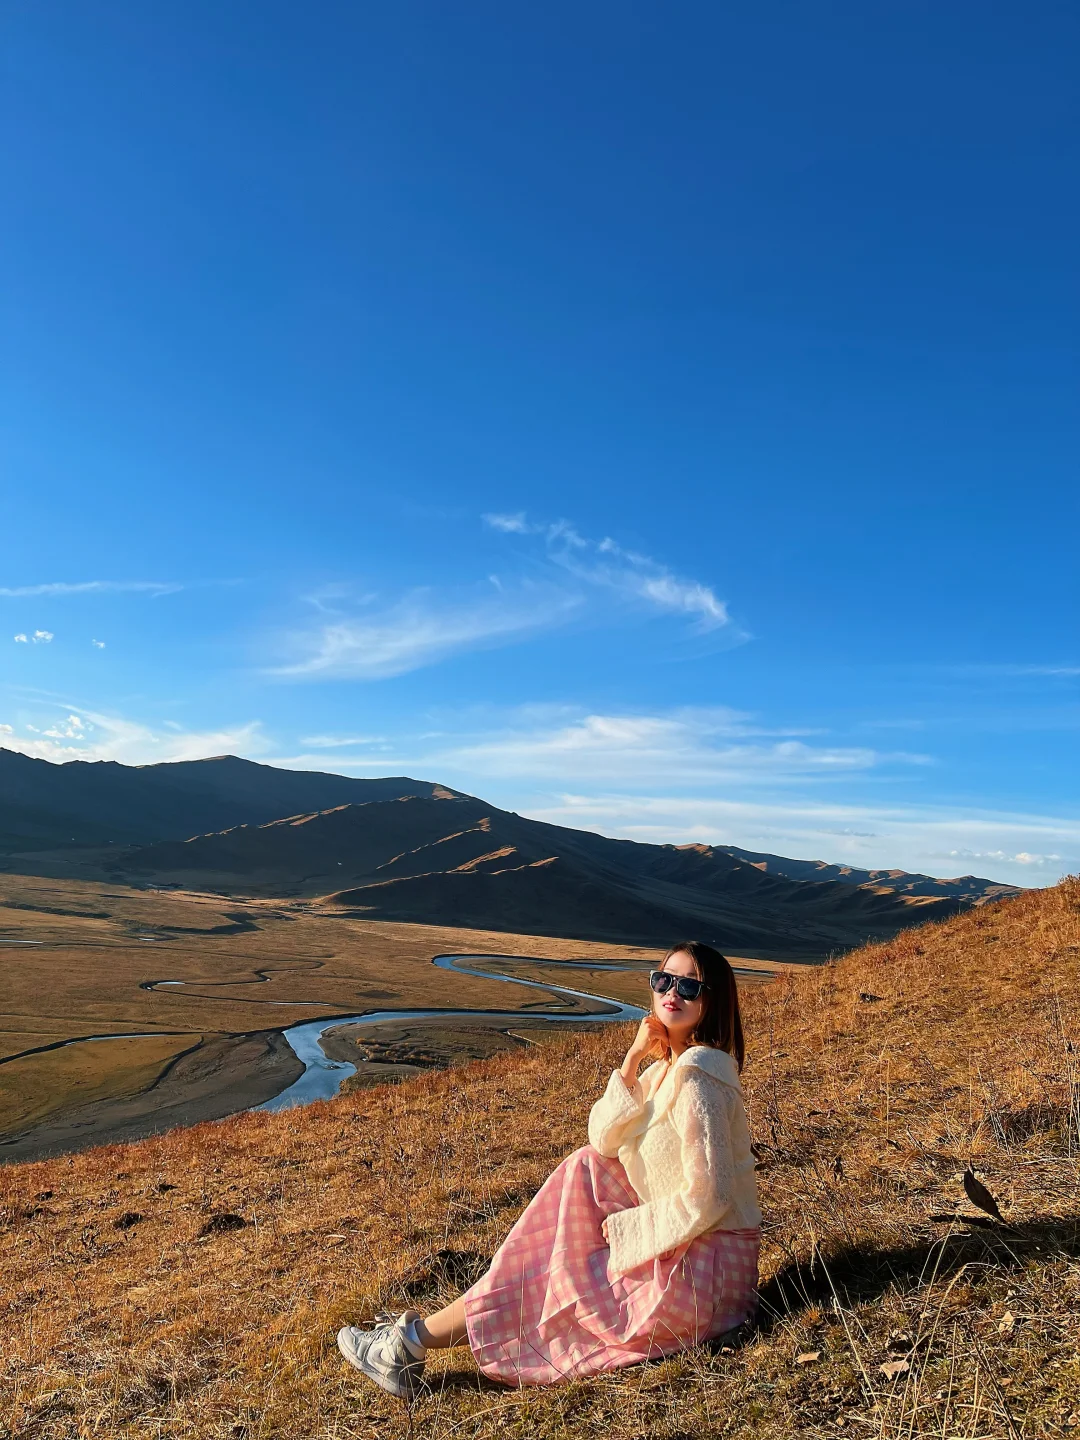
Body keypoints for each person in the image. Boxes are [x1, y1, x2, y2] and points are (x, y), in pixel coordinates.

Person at [336, 941, 761, 1397]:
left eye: (688, 985)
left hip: (705, 1274)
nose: (670, 993)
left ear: (712, 999)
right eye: (662, 980)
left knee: (556, 1263)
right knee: (584, 1170)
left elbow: (711, 1196)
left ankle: (405, 1345)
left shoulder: (699, 1075)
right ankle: (408, 1344)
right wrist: (632, 1060)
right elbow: (603, 1139)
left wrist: (622, 1237)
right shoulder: (663, 1071)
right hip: (686, 1250)